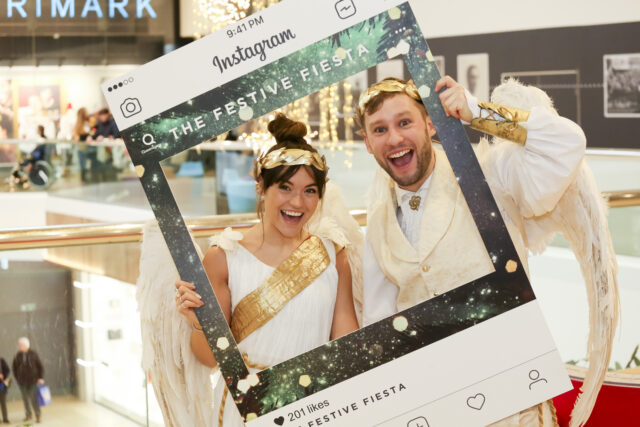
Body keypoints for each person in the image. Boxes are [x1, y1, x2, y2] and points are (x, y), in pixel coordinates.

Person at [357, 76, 617, 426]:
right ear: (368, 143)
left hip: (514, 407)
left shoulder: (490, 174)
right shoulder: (376, 222)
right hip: (437, 407)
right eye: (379, 130)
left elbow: (566, 144)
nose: (395, 138)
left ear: (430, 124)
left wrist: (477, 112)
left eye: (405, 122)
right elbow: (380, 324)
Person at [140, 114, 363, 426]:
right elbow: (208, 358)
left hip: (316, 407)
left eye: (310, 190)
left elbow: (347, 346)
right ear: (261, 186)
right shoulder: (224, 256)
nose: (297, 202)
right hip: (246, 408)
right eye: (285, 187)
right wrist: (200, 324)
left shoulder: (332, 254)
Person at [12, 337, 44, 423]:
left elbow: (40, 366)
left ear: (25, 345)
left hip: (33, 381)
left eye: (20, 345)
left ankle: (38, 415)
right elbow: (14, 368)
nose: (19, 346)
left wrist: (40, 377)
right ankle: (28, 414)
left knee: (34, 399)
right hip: (22, 382)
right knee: (25, 399)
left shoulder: (33, 354)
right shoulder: (17, 355)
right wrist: (17, 378)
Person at [0, 356, 9, 424]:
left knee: (3, 403)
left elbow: (7, 370)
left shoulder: (1, 360)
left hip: (1, 385)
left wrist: (3, 375)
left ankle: (5, 418)